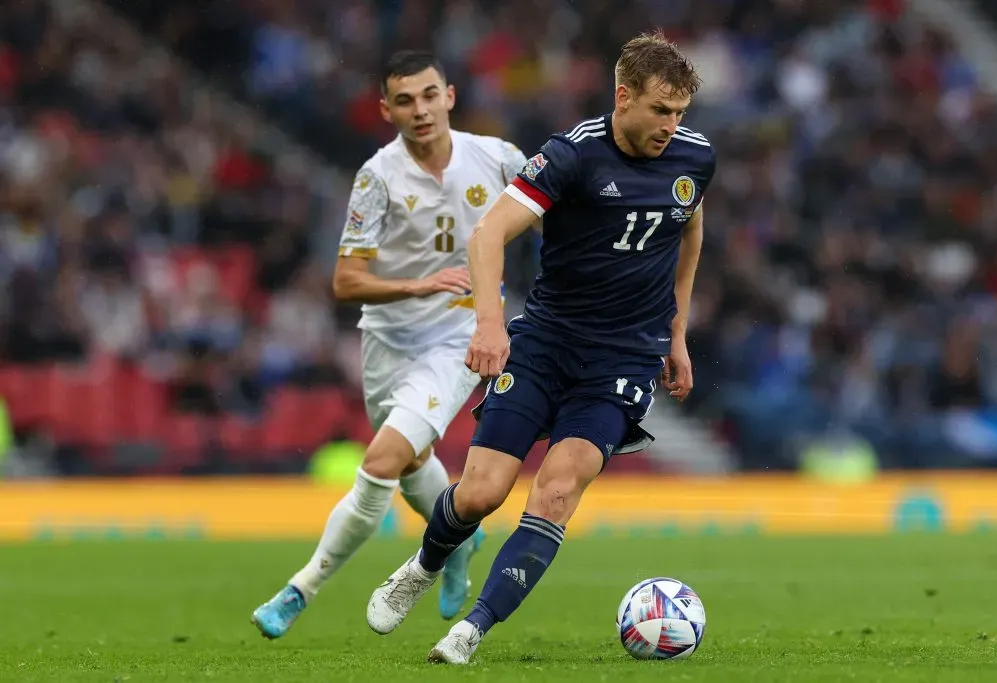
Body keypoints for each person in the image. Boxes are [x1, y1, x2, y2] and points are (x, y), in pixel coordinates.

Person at [364, 30, 716, 664]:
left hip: (622, 359)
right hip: (546, 342)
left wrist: (677, 334)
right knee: (480, 493)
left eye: (680, 113)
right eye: (661, 110)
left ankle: (469, 631)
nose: (672, 125)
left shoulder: (695, 158)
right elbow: (487, 234)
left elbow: (687, 236)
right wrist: (490, 324)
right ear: (623, 96)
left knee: (555, 491)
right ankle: (424, 564)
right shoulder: (572, 155)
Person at [251, 50, 527, 638]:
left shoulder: (499, 159)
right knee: (412, 465)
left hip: (458, 336)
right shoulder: (378, 177)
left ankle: (301, 589)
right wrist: (416, 283)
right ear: (386, 109)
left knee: (380, 461)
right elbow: (345, 280)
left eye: (429, 95)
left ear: (449, 96)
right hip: (386, 341)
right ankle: (460, 545)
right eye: (405, 100)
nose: (420, 109)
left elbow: (554, 217)